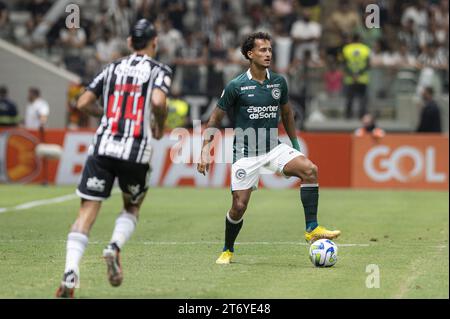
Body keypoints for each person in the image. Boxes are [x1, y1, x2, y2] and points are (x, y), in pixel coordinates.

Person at [197, 32, 340, 265]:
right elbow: (214, 119)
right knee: (238, 207)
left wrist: (294, 144)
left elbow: (287, 114)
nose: (268, 54)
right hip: (245, 152)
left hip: (273, 148)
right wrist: (205, 150)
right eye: (263, 50)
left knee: (310, 170)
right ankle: (228, 249)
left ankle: (312, 228)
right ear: (250, 54)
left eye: (270, 50)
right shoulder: (237, 86)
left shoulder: (279, 82)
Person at [56, 19, 172, 298]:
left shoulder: (112, 67)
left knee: (87, 211)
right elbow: (157, 102)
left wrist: (106, 114)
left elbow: (82, 103)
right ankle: (114, 247)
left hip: (103, 147)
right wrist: (158, 124)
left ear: (130, 42)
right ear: (155, 42)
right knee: (132, 206)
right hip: (136, 150)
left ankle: (71, 271)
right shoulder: (160, 70)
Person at [342, 34, 371, 119]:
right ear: (360, 39)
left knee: (350, 98)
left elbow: (344, 64)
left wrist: (352, 74)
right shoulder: (365, 48)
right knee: (362, 99)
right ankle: (362, 116)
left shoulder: (346, 49)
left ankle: (348, 116)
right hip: (362, 78)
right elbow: (368, 64)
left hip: (350, 78)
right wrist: (359, 73)